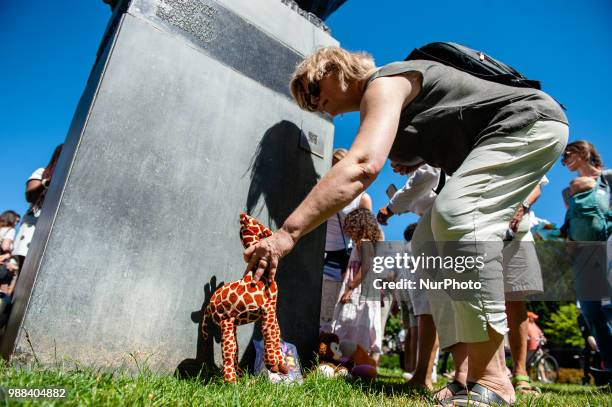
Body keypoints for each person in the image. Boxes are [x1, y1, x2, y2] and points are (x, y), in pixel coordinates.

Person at [244, 46, 568, 405]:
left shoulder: (384, 81)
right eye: (305, 101)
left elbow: (363, 164)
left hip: (527, 122)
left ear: (334, 69)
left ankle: (493, 377)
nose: (312, 101)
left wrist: (287, 233)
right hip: (500, 134)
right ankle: (464, 374)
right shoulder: (389, 100)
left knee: (458, 217)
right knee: (427, 242)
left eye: (313, 89)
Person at [561, 140, 612, 385]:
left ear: (583, 152)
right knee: (592, 312)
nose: (564, 160)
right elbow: (573, 224)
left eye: (567, 154)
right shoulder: (566, 192)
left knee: (608, 309)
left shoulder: (609, 179)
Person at [321, 148, 372, 332]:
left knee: (328, 326)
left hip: (338, 266)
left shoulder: (361, 199)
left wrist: (352, 286)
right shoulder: (320, 191)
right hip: (317, 260)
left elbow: (367, 249)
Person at [330, 208, 383, 361]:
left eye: (350, 227)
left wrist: (350, 288)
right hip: (363, 286)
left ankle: (350, 355)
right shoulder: (366, 242)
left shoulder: (364, 242)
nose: (348, 232)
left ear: (359, 226)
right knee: (358, 319)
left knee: (351, 318)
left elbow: (366, 266)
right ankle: (355, 356)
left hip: (359, 287)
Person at [13, 145, 63, 269]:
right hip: (34, 223)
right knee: (26, 268)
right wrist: (46, 183)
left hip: (53, 225)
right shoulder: (42, 172)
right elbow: (29, 195)